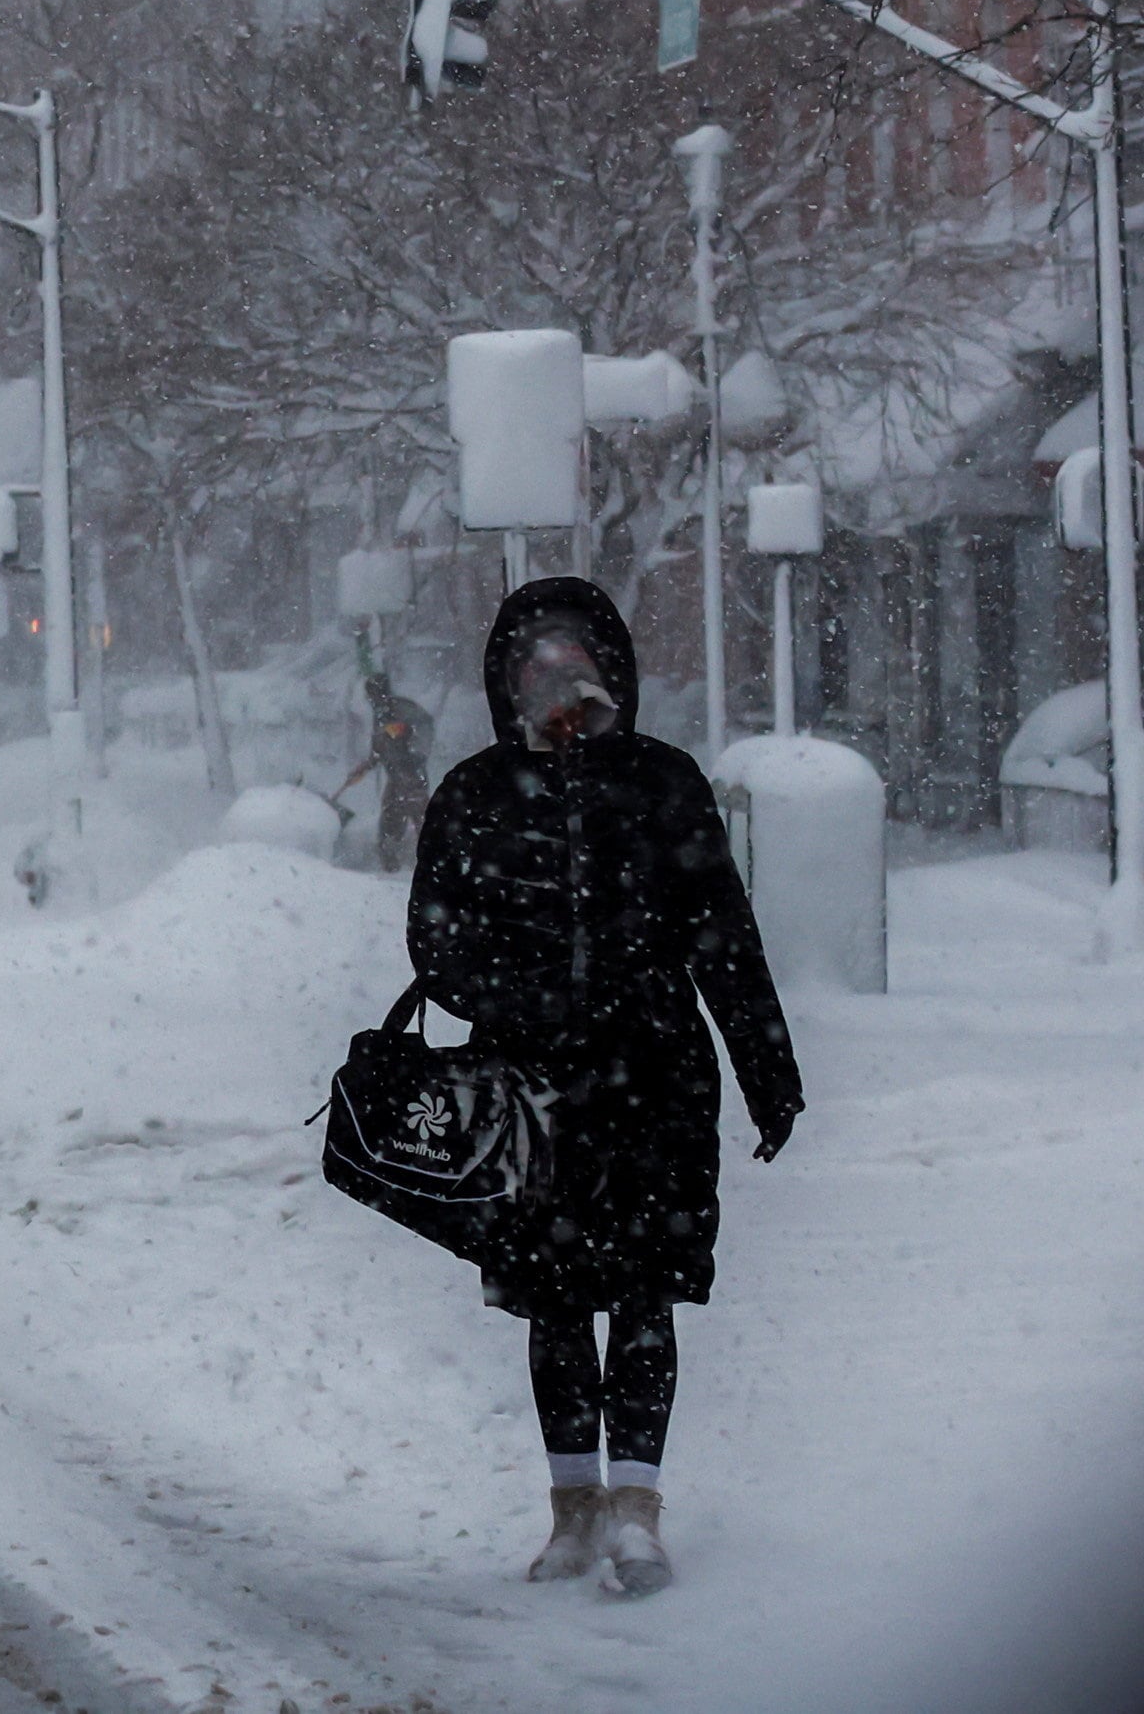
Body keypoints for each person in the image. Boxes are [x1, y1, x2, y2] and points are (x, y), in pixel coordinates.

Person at [410, 577, 800, 1600]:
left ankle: (636, 1511)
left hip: (655, 1081)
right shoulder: (472, 794)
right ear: (505, 678)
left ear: (610, 669)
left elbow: (722, 932)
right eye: (534, 662)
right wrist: (520, 996)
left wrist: (769, 1073)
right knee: (551, 1303)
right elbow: (435, 941)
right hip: (531, 1099)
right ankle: (571, 1510)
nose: (555, 680)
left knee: (640, 1295)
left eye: (574, 658)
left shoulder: (660, 783)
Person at [337, 662, 434, 875]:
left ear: (383, 692)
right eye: (370, 697)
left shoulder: (404, 710)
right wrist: (364, 767)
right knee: (390, 821)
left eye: (373, 695)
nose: (371, 701)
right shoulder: (381, 717)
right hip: (396, 779)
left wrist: (414, 754)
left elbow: (424, 727)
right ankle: (390, 867)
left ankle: (433, 866)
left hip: (412, 777)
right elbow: (379, 749)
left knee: (421, 818)